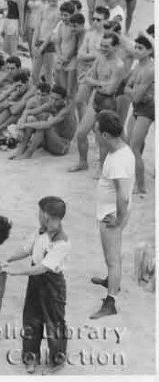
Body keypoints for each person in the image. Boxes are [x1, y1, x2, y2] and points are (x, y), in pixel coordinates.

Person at [4, 197, 70, 375]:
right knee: (31, 318)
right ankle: (31, 357)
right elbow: (27, 249)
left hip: (52, 283)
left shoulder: (62, 242)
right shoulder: (39, 231)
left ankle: (56, 361)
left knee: (54, 322)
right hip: (36, 281)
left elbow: (43, 268)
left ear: (47, 216)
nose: (37, 215)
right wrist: (9, 258)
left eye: (39, 212)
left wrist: (17, 272)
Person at [89, 111, 133, 319]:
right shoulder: (121, 151)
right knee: (113, 258)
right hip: (112, 212)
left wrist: (118, 219)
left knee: (112, 259)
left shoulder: (117, 161)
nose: (94, 135)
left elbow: (123, 197)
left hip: (111, 215)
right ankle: (111, 281)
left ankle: (111, 301)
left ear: (105, 135)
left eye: (96, 132)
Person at [69, 33, 125, 173]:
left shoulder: (118, 65)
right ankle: (83, 162)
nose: (103, 48)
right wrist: (100, 83)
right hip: (95, 99)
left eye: (106, 46)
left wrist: (95, 83)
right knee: (81, 133)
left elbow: (109, 89)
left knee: (102, 140)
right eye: (101, 45)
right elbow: (87, 77)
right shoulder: (99, 57)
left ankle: (103, 169)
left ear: (116, 47)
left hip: (108, 103)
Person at [124, 35, 154, 195]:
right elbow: (127, 89)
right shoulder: (138, 66)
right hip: (138, 107)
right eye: (135, 47)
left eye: (140, 48)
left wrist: (132, 90)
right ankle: (136, 177)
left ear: (149, 50)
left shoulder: (150, 70)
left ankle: (141, 186)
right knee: (131, 143)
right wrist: (132, 90)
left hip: (147, 109)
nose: (136, 50)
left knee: (134, 146)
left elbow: (134, 95)